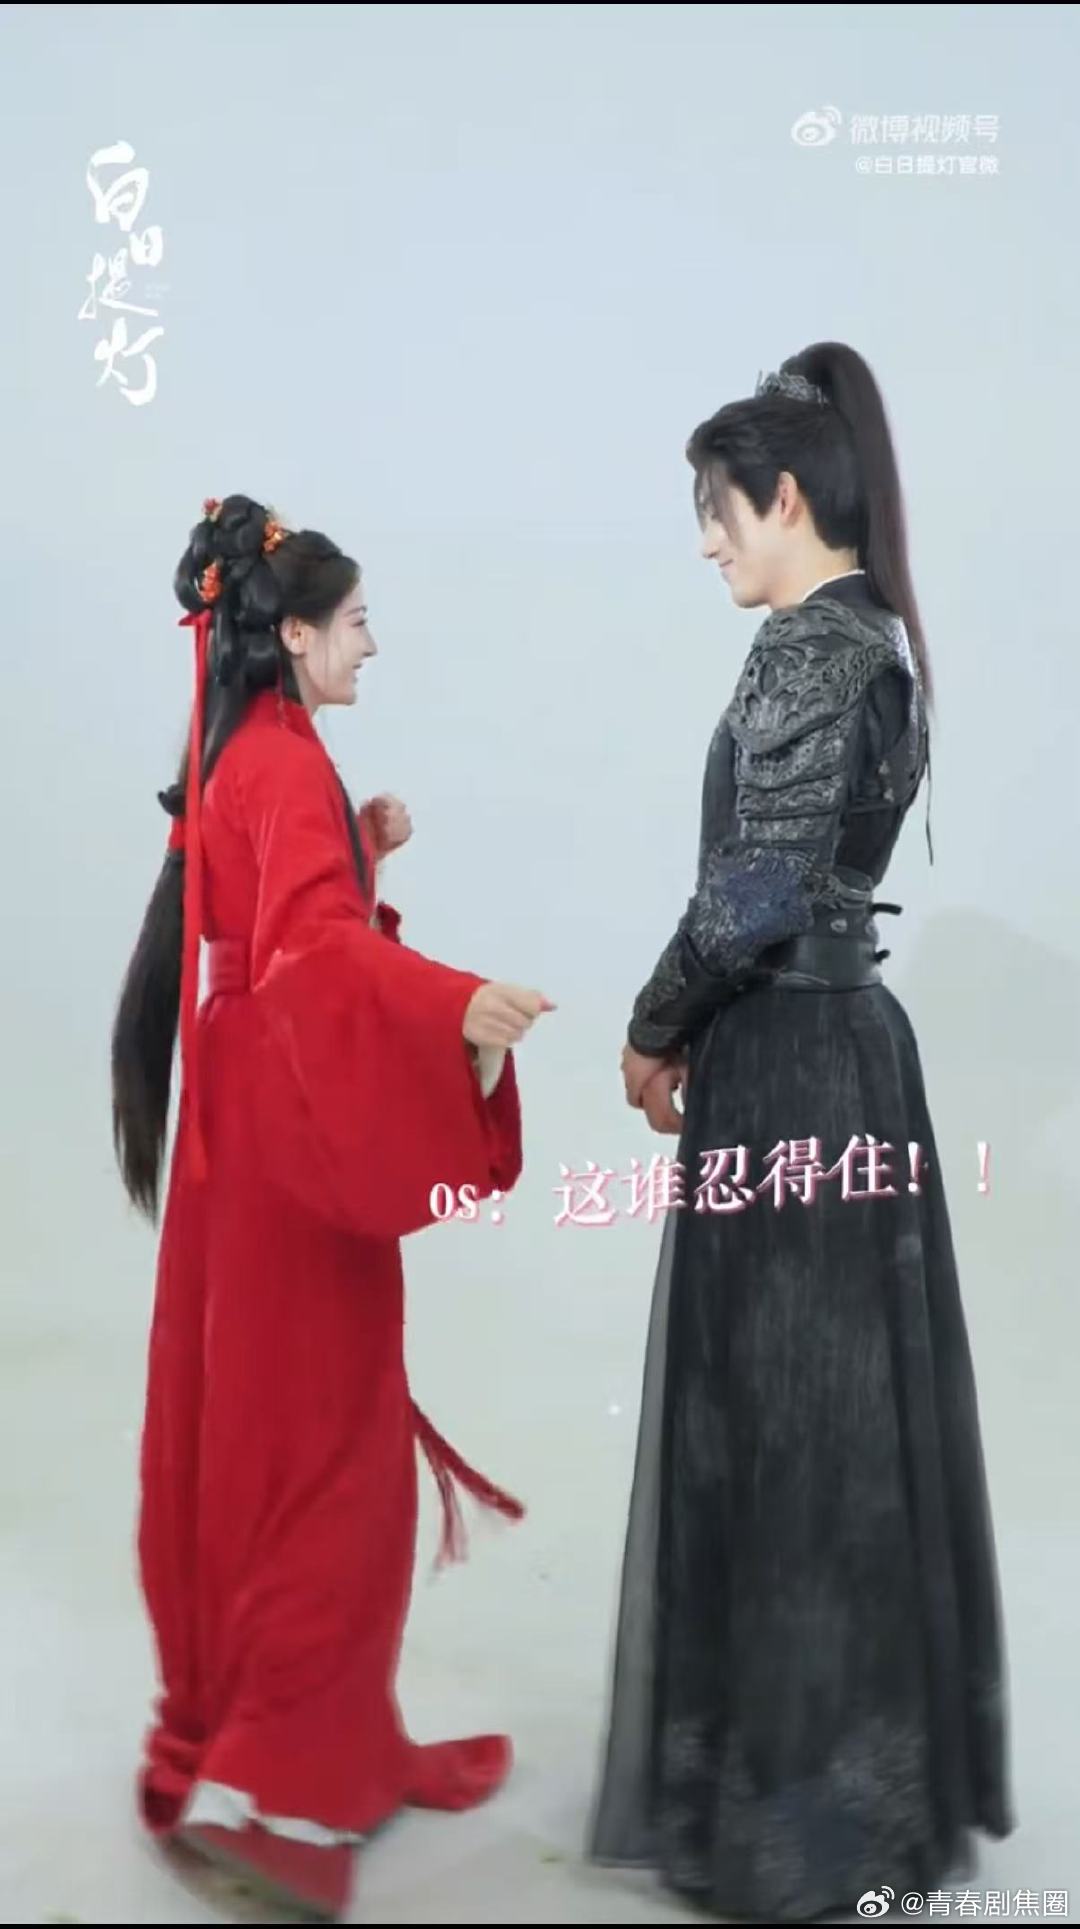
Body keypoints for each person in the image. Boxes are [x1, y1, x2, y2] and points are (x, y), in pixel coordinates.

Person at [589, 346, 1012, 1921]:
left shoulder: (804, 648)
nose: (708, 540)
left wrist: (654, 1023)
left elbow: (753, 892)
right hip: (854, 1053)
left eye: (717, 509)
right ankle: (850, 1794)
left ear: (781, 498)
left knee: (778, 1423)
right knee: (840, 1428)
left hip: (783, 1061)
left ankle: (787, 1816)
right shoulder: (881, 640)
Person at [111, 494, 553, 1921]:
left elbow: (254, 921)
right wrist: (454, 1007)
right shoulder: (281, 759)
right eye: (355, 622)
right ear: (294, 634)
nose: (370, 644)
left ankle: (291, 1746)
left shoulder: (248, 749)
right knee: (330, 1457)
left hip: (237, 1127)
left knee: (267, 1432)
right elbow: (307, 954)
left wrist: (358, 848)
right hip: (282, 1136)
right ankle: (278, 1791)